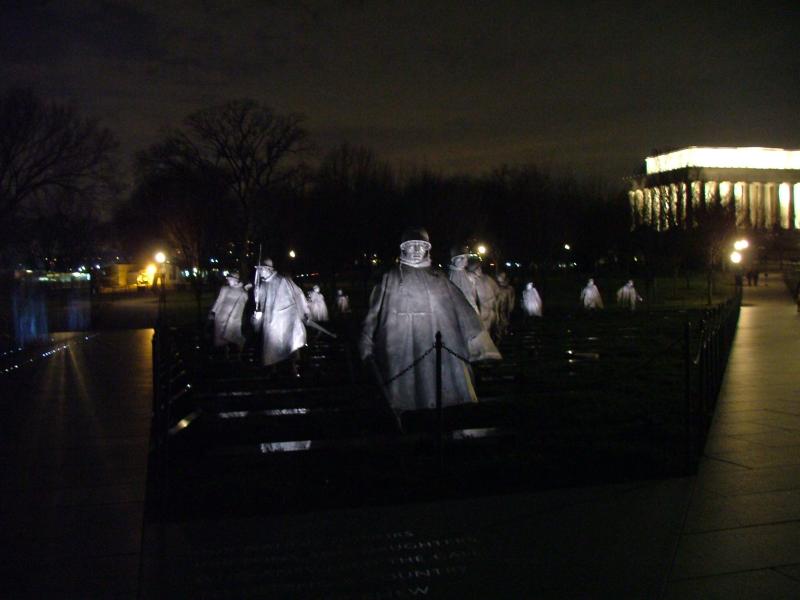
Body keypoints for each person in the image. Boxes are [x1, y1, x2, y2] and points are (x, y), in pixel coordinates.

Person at [360, 227, 500, 416]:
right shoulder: (391, 278)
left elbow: (463, 310)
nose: (417, 249)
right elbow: (374, 312)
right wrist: (366, 338)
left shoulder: (439, 278)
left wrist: (479, 344)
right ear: (404, 248)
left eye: (421, 245)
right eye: (412, 245)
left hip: (438, 350)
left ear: (427, 248)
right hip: (401, 350)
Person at [252, 258, 310, 367]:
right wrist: (257, 295)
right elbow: (259, 303)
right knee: (272, 346)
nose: (259, 272)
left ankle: (295, 369)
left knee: (291, 342)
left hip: (286, 318)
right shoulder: (262, 285)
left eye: (261, 269)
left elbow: (298, 294)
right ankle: (275, 369)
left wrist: (304, 311)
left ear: (268, 269)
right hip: (270, 321)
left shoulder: (282, 280)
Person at [208, 273, 250, 352]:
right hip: (221, 316)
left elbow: (244, 300)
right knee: (221, 337)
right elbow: (219, 301)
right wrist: (213, 312)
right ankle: (223, 352)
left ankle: (236, 352)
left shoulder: (242, 291)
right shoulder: (225, 289)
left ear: (235, 280)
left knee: (232, 334)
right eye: (228, 279)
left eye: (230, 279)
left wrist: (245, 290)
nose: (228, 280)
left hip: (233, 317)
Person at [468, 257, 501, 336]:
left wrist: (495, 304)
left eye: (479, 267)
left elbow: (497, 291)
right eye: (477, 268)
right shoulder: (470, 280)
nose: (479, 269)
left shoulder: (486, 278)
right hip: (482, 314)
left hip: (492, 311)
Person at [447, 243, 479, 314]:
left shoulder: (466, 273)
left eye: (466, 258)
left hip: (471, 308)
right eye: (461, 258)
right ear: (454, 260)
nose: (465, 260)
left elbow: (471, 294)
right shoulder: (450, 275)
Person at [494, 271, 515, 337]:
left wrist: (511, 305)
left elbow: (511, 298)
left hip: (504, 307)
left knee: (504, 320)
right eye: (500, 276)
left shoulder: (509, 288)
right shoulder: (495, 286)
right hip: (497, 307)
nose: (501, 278)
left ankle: (504, 332)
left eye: (503, 276)